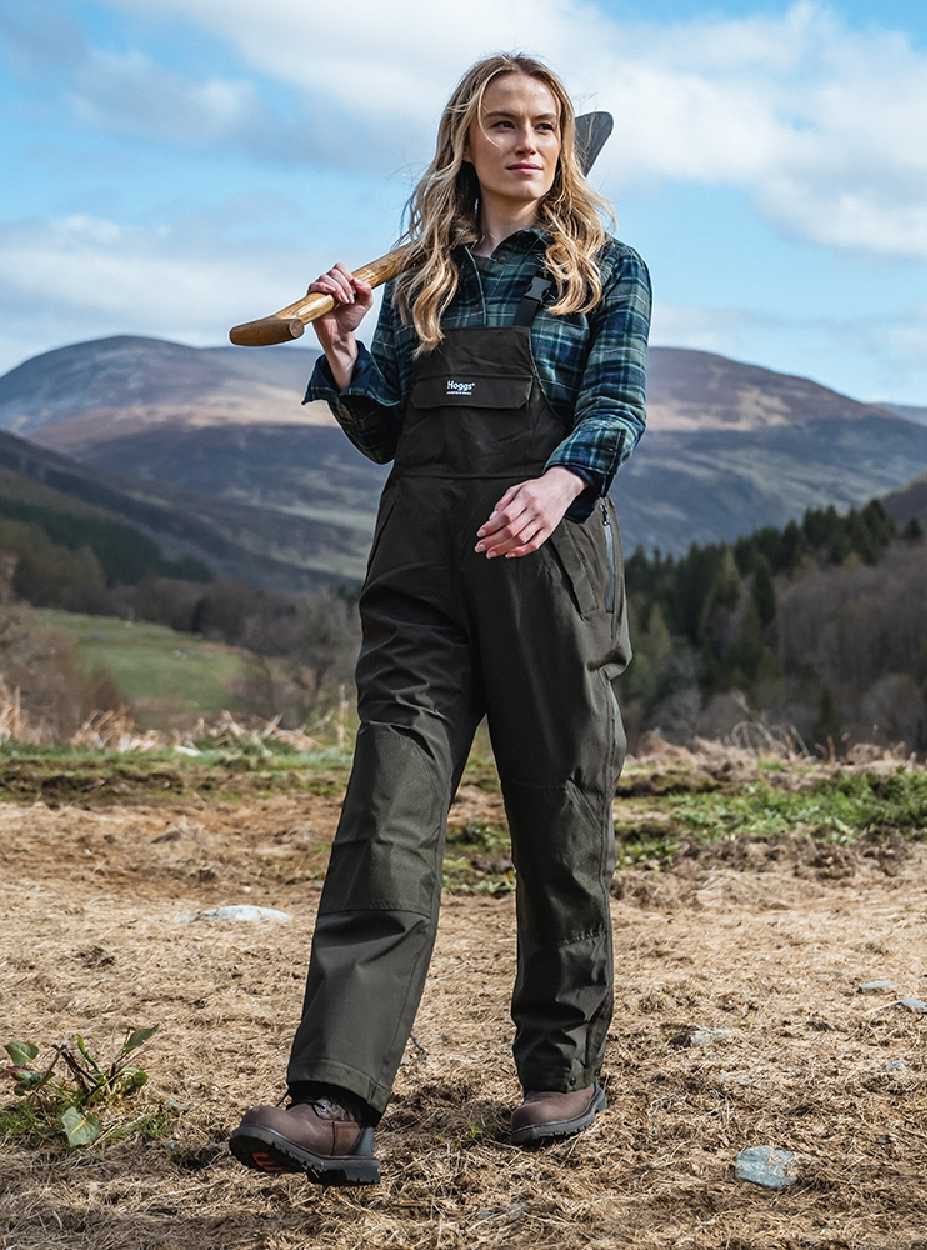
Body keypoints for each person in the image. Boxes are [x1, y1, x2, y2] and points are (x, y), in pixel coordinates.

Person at [229, 50, 651, 1187]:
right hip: (421, 579)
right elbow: (386, 432)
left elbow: (613, 410)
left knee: (559, 819)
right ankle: (333, 1097)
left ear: (566, 146)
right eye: (504, 124)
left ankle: (560, 1056)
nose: (526, 143)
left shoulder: (605, 271)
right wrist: (343, 353)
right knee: (387, 818)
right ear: (465, 140)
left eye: (546, 127)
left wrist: (556, 483)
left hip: (548, 578)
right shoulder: (421, 280)